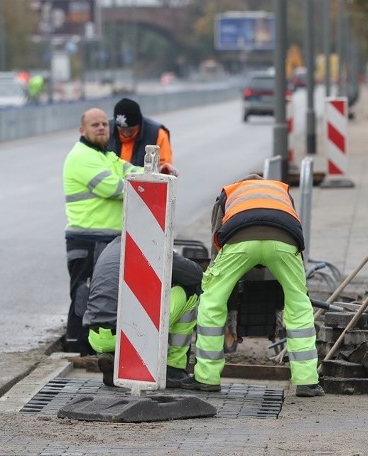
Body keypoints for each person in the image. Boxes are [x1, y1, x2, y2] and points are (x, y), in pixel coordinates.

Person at [182, 175, 324, 397]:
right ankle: (307, 381)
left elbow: (216, 239)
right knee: (299, 304)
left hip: (239, 240)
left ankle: (206, 377)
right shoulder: (281, 190)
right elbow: (293, 226)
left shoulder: (229, 193)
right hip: (284, 241)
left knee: (211, 301)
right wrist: (296, 282)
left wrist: (217, 279)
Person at [62, 107, 143, 355]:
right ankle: (76, 346)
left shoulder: (107, 156)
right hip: (87, 239)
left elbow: (132, 171)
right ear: (82, 130)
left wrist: (159, 174)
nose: (101, 128)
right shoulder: (82, 156)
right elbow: (114, 187)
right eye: (94, 125)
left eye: (104, 125)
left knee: (103, 295)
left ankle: (93, 347)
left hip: (105, 239)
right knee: (85, 295)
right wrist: (145, 183)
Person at [84, 235, 203, 388]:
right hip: (128, 334)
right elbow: (194, 274)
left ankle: (116, 358)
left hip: (96, 336)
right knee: (190, 292)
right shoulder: (149, 241)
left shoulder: (111, 248)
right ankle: (173, 367)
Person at [108, 98, 173, 168]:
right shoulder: (106, 131)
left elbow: (164, 167)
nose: (126, 133)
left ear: (139, 124)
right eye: (121, 130)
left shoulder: (157, 134)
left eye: (130, 130)